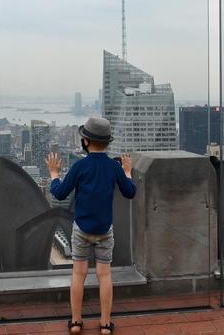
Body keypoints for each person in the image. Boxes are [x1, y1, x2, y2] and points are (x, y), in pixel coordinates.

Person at [46, 117, 136, 335]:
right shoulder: (113, 168)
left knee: (79, 274)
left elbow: (59, 193)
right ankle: (105, 324)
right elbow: (130, 192)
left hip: (82, 230)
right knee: (105, 276)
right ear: (107, 142)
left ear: (85, 141)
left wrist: (54, 173)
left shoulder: (80, 166)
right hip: (104, 230)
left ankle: (76, 322)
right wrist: (127, 171)